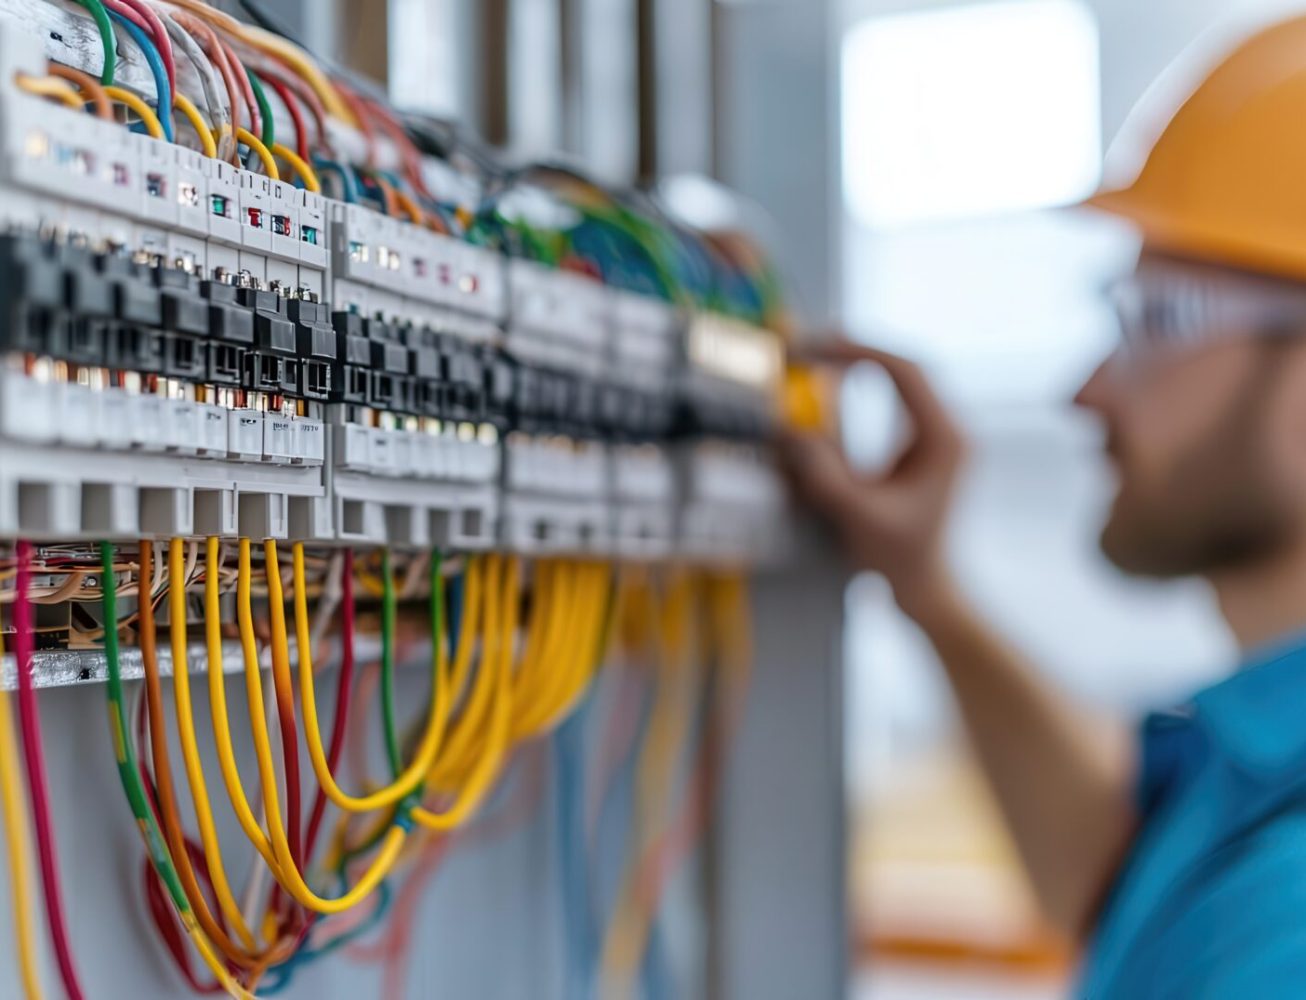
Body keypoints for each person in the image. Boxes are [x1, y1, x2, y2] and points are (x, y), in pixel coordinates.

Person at [784, 14, 1306, 997]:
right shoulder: (1261, 768)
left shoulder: (1286, 920)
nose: (1090, 386)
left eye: (1158, 319)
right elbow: (1118, 878)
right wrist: (926, 588)